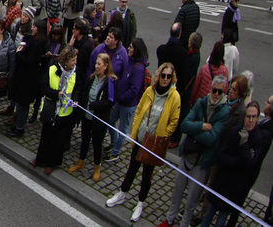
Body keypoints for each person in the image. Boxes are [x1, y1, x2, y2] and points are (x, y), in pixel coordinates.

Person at [105, 62, 181, 223]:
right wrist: (136, 127)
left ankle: (141, 202)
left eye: (168, 76)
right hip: (141, 138)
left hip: (154, 142)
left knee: (147, 174)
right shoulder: (150, 91)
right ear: (159, 75)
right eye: (163, 75)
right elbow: (140, 109)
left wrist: (163, 135)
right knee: (132, 168)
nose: (165, 79)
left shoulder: (174, 97)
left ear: (172, 78)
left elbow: (174, 121)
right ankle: (122, 192)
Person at [160, 73, 230, 227]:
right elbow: (185, 125)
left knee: (192, 199)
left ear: (223, 92)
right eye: (214, 90)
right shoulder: (201, 102)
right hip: (188, 155)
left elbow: (212, 138)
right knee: (177, 192)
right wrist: (201, 126)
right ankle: (170, 219)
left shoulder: (224, 112)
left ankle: (184, 224)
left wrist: (194, 131)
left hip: (202, 162)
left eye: (219, 91)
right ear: (210, 88)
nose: (216, 94)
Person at [200, 101, 271, 227]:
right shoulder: (234, 131)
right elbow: (222, 156)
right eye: (248, 116)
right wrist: (238, 162)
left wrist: (243, 145)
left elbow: (250, 165)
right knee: (207, 217)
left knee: (221, 222)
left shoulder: (259, 139)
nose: (250, 120)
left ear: (257, 118)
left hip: (234, 190)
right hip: (221, 182)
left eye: (253, 117)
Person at [70, 51, 115, 181]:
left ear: (105, 66)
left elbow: (110, 101)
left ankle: (97, 166)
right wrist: (81, 102)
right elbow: (85, 93)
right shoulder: (91, 78)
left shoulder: (109, 82)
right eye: (96, 63)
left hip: (99, 118)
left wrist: (93, 105)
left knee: (97, 143)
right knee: (84, 139)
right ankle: (80, 161)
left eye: (99, 64)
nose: (96, 66)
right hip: (87, 116)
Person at [32, 46, 78, 174]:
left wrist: (75, 99)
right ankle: (40, 159)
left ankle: (52, 163)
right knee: (45, 136)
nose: (75, 62)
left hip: (64, 112)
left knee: (58, 140)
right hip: (50, 109)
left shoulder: (76, 72)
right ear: (66, 60)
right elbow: (44, 88)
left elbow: (78, 89)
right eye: (73, 60)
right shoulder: (52, 69)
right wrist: (56, 94)